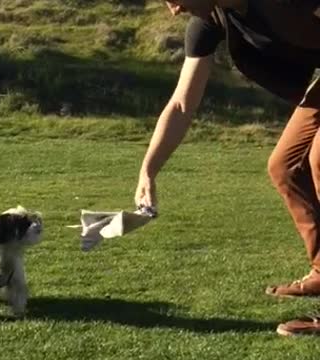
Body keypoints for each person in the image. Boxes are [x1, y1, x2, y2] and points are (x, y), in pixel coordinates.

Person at [134, 0, 320, 336]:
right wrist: (148, 171)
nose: (174, 10)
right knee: (285, 166)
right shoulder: (211, 21)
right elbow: (180, 103)